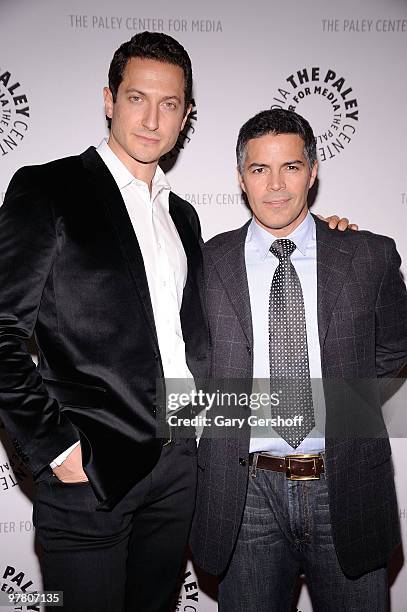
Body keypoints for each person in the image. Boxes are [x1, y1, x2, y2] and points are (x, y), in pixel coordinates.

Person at [0, 31, 353, 611]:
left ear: (186, 116)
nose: (152, 119)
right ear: (109, 99)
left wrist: (330, 241)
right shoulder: (49, 189)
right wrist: (58, 448)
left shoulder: (184, 216)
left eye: (170, 105)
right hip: (92, 476)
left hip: (179, 472)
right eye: (137, 98)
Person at [190, 108, 407, 611]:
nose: (276, 185)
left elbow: (396, 342)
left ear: (312, 171)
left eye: (290, 167)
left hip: (346, 485)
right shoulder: (204, 262)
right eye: (259, 169)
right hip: (243, 496)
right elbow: (192, 361)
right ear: (241, 178)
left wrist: (344, 391)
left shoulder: (368, 255)